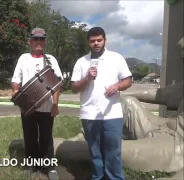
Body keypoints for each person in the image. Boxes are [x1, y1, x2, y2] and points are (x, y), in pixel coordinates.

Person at [70, 27, 132, 180]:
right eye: (92, 41)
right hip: (89, 114)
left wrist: (117, 86)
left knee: (113, 152)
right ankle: (97, 177)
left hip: (112, 114)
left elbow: (128, 80)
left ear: (105, 40)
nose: (96, 43)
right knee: (95, 152)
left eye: (99, 40)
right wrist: (87, 78)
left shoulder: (116, 58)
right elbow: (73, 88)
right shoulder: (81, 62)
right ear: (88, 43)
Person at [11, 28, 63, 180]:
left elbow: (57, 83)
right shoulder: (23, 58)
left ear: (45, 42)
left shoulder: (51, 59)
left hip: (47, 107)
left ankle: (49, 167)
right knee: (30, 136)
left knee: (47, 137)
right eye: (35, 39)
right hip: (27, 106)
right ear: (30, 42)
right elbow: (15, 80)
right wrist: (15, 91)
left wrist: (55, 104)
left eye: (41, 39)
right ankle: (32, 164)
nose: (38, 42)